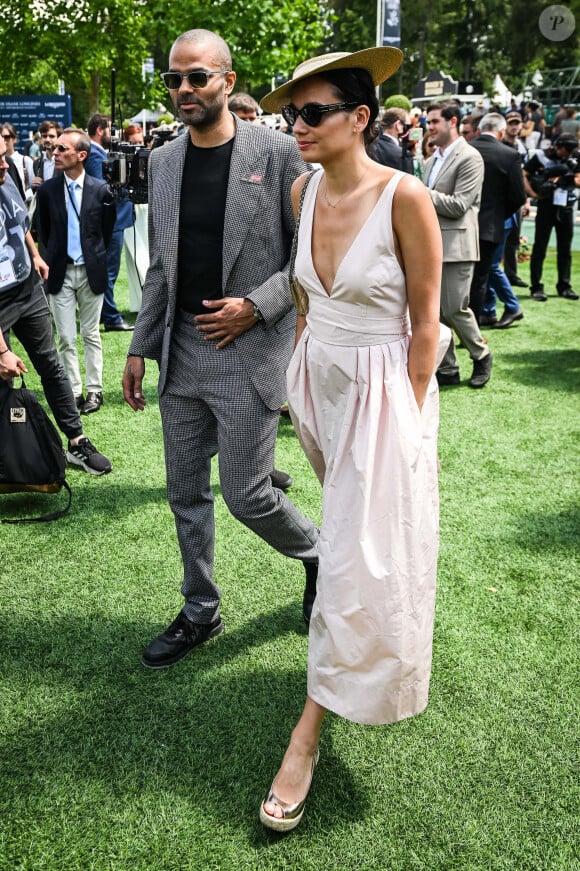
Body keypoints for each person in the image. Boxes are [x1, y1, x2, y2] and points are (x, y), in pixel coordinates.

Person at [258, 47, 448, 832]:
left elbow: (428, 324)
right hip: (318, 386)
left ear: (359, 118)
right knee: (348, 544)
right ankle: (351, 668)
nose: (295, 127)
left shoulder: (406, 198)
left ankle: (304, 740)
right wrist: (304, 370)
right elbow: (306, 298)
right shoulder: (301, 191)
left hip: (382, 398)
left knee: (347, 560)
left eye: (311, 113)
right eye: (290, 114)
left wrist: (403, 419)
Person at [121, 28, 320, 669]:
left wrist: (254, 306)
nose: (183, 89)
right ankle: (199, 608)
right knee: (185, 494)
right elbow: (161, 266)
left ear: (227, 83)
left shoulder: (281, 151)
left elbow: (307, 257)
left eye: (197, 77)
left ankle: (316, 554)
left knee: (247, 495)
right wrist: (139, 346)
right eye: (174, 79)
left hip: (248, 353)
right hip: (182, 353)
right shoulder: (163, 159)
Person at [0, 132, 111, 475]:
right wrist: (2, 350)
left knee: (51, 365)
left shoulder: (6, 181)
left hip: (27, 288)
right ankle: (10, 459)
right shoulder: (44, 186)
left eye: (4, 156)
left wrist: (34, 256)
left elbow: (22, 225)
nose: (6, 163)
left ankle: (77, 441)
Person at [35, 128, 117, 413]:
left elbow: (105, 232)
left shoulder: (101, 189)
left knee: (91, 334)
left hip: (90, 270)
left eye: (62, 149)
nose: (54, 153)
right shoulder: (47, 191)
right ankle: (73, 390)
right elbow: (42, 231)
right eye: (54, 149)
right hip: (60, 271)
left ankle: (95, 391)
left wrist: (93, 257)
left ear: (81, 155)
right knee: (66, 337)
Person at [423, 101, 492, 388]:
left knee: (454, 309)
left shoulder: (470, 157)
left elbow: (459, 206)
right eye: (429, 122)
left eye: (435, 121)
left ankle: (481, 354)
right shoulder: (430, 160)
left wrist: (418, 192)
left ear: (452, 122)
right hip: (429, 245)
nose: (430, 127)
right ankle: (448, 368)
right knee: (434, 312)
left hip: (457, 247)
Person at [467, 113, 527, 323]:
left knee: (461, 278)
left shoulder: (465, 149)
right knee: (482, 277)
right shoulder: (509, 155)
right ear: (501, 132)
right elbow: (519, 196)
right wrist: (499, 213)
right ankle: (474, 327)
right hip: (490, 225)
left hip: (461, 222)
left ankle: (487, 314)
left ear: (480, 129)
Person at [85, 113, 134, 332]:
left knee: (109, 269)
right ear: (99, 129)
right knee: (110, 270)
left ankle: (107, 312)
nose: (112, 134)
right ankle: (111, 316)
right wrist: (124, 182)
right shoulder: (95, 154)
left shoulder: (98, 152)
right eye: (110, 129)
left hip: (114, 219)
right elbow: (103, 187)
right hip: (111, 219)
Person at [523, 133, 580, 301]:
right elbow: (524, 173)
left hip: (566, 206)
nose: (567, 154)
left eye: (571, 151)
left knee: (565, 248)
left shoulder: (575, 158)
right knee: (540, 247)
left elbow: (578, 179)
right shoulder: (541, 156)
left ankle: (564, 285)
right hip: (546, 205)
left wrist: (568, 177)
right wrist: (533, 193)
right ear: (557, 146)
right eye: (565, 150)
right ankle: (536, 286)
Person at [370, 107, 414, 173]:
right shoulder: (403, 155)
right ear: (398, 125)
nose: (409, 130)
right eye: (408, 126)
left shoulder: (369, 147)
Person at [1, 124, 34, 206]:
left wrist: (19, 198)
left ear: (15, 139)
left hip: (22, 207)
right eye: (1, 137)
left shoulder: (25, 161)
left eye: (7, 137)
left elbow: (34, 187)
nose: (4, 140)